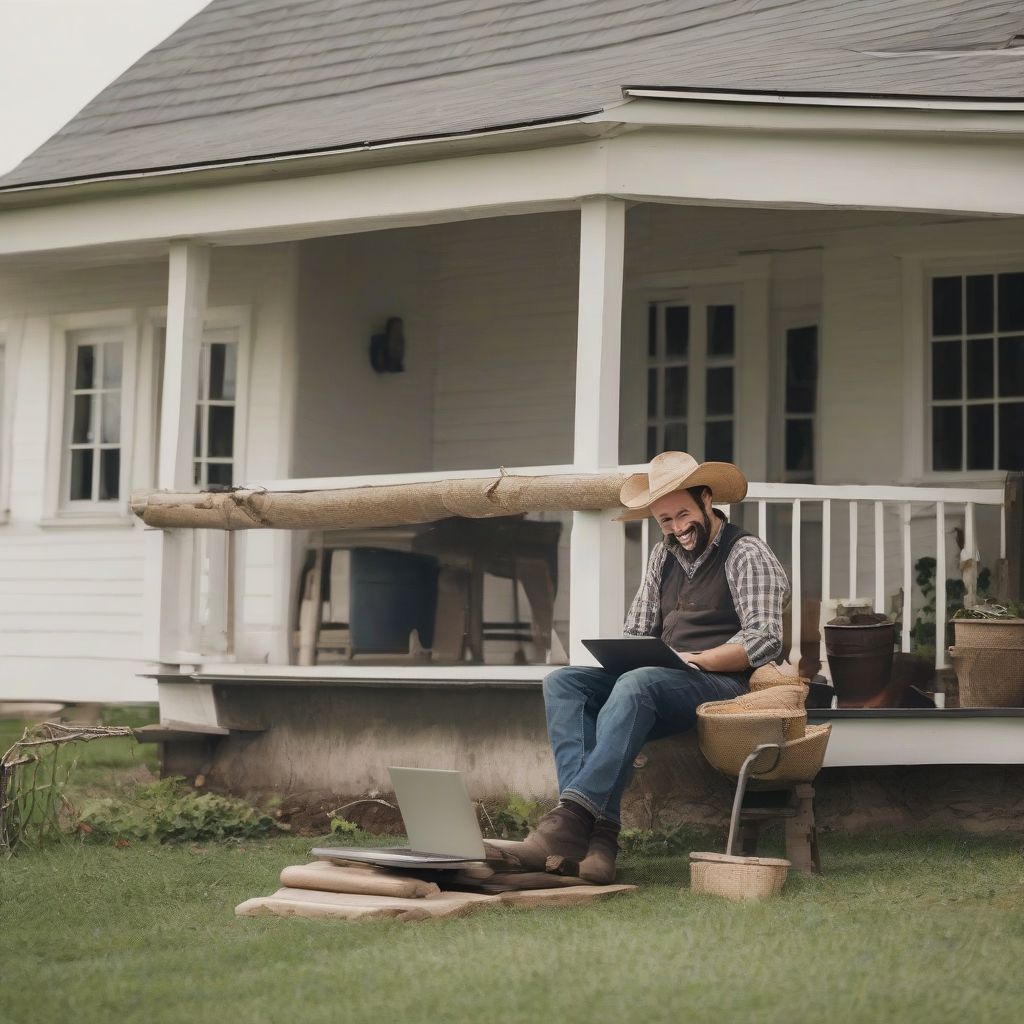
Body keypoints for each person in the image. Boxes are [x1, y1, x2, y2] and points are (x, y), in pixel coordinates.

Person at [521, 451, 790, 883]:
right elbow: (637, 629)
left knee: (639, 682)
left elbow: (763, 638)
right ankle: (598, 841)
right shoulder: (661, 557)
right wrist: (628, 653)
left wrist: (695, 660)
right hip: (657, 680)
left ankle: (569, 820)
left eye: (684, 513)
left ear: (706, 499)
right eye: (665, 520)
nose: (678, 528)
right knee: (564, 682)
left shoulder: (746, 553)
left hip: (722, 686)